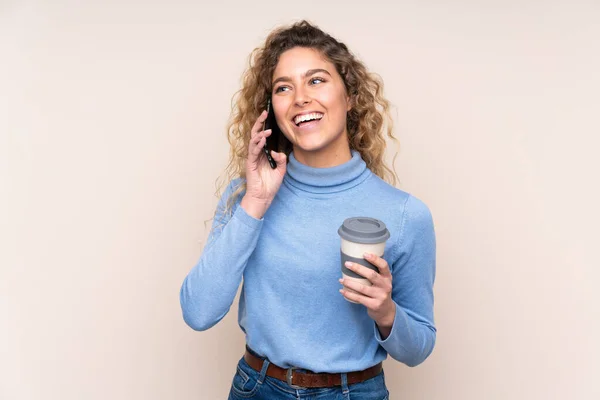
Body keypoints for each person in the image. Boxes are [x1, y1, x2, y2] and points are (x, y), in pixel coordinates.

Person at [180, 20, 436, 400]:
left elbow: (419, 348)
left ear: (349, 97)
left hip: (354, 392)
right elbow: (199, 312)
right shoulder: (245, 196)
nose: (300, 97)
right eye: (284, 87)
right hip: (257, 388)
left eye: (316, 80)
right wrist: (255, 203)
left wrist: (386, 312)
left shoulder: (404, 215)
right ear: (273, 109)